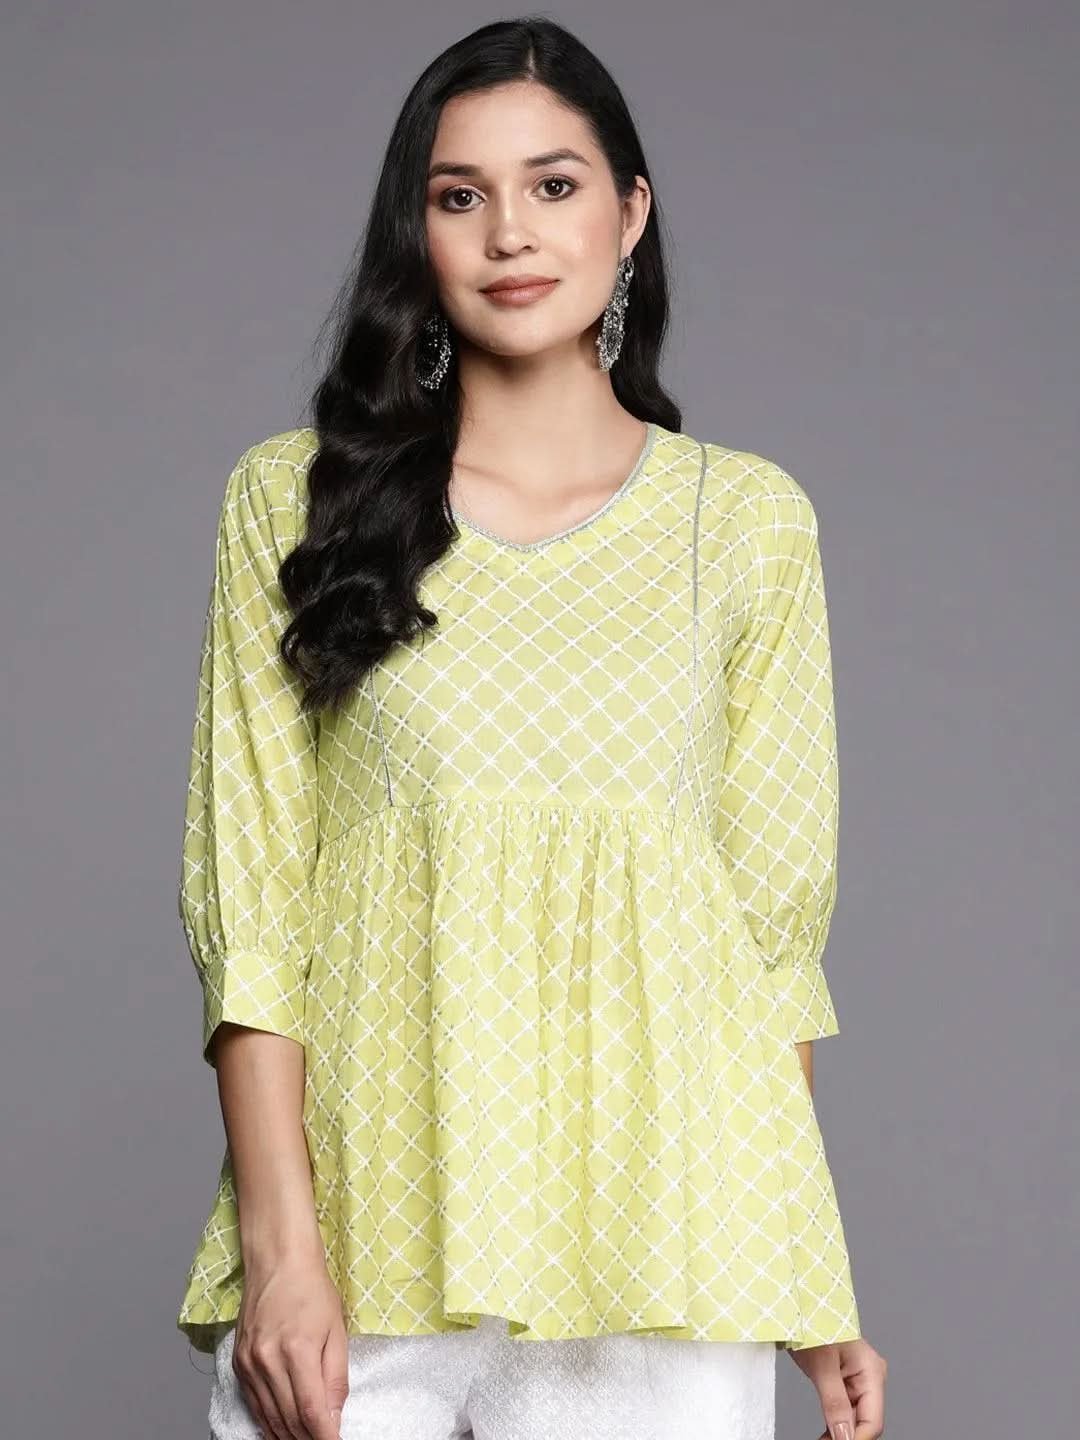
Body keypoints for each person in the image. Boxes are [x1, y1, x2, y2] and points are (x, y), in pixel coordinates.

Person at [175, 15, 887, 1440]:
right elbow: (252, 912)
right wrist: (284, 1259)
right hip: (363, 1253)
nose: (510, 231)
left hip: (665, 1262)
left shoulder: (745, 522)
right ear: (418, 233)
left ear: (631, 214)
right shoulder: (294, 500)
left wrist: (805, 1288)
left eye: (555, 185)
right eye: (461, 195)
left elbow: (767, 947)